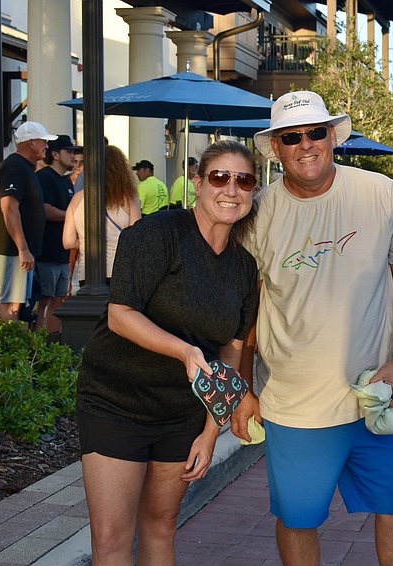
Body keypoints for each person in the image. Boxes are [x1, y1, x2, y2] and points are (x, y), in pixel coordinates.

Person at [247, 90, 393, 565]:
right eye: (291, 137)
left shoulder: (380, 193)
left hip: (376, 393)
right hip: (295, 404)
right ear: (276, 147)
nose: (306, 144)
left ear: (332, 137)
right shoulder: (258, 212)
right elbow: (245, 311)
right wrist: (243, 386)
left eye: (315, 132)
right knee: (298, 518)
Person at [75, 140, 259, 565]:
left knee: (160, 526)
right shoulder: (156, 234)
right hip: (116, 401)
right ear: (198, 181)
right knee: (111, 538)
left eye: (243, 180)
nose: (231, 190)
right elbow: (120, 314)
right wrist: (185, 351)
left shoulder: (243, 268)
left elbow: (231, 354)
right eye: (220, 177)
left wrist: (211, 433)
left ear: (252, 191)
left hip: (182, 414)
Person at [0, 121, 56, 321]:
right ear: (31, 142)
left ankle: (12, 346)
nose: (47, 146)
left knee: (16, 302)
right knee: (11, 304)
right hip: (11, 248)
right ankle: (6, 349)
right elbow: (8, 208)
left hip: (16, 248)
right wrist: (22, 248)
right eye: (43, 141)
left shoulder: (21, 167)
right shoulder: (15, 167)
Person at [63, 145, 142, 287]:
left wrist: (84, 242)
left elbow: (68, 241)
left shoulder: (77, 199)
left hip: (87, 271)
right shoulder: (129, 198)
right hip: (119, 268)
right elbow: (136, 236)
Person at [35, 134, 79, 332]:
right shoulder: (44, 178)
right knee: (44, 299)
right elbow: (46, 210)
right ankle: (37, 342)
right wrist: (71, 217)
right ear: (54, 154)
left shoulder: (65, 181)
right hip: (46, 250)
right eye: (68, 151)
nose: (72, 156)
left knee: (59, 298)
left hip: (61, 252)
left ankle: (54, 342)